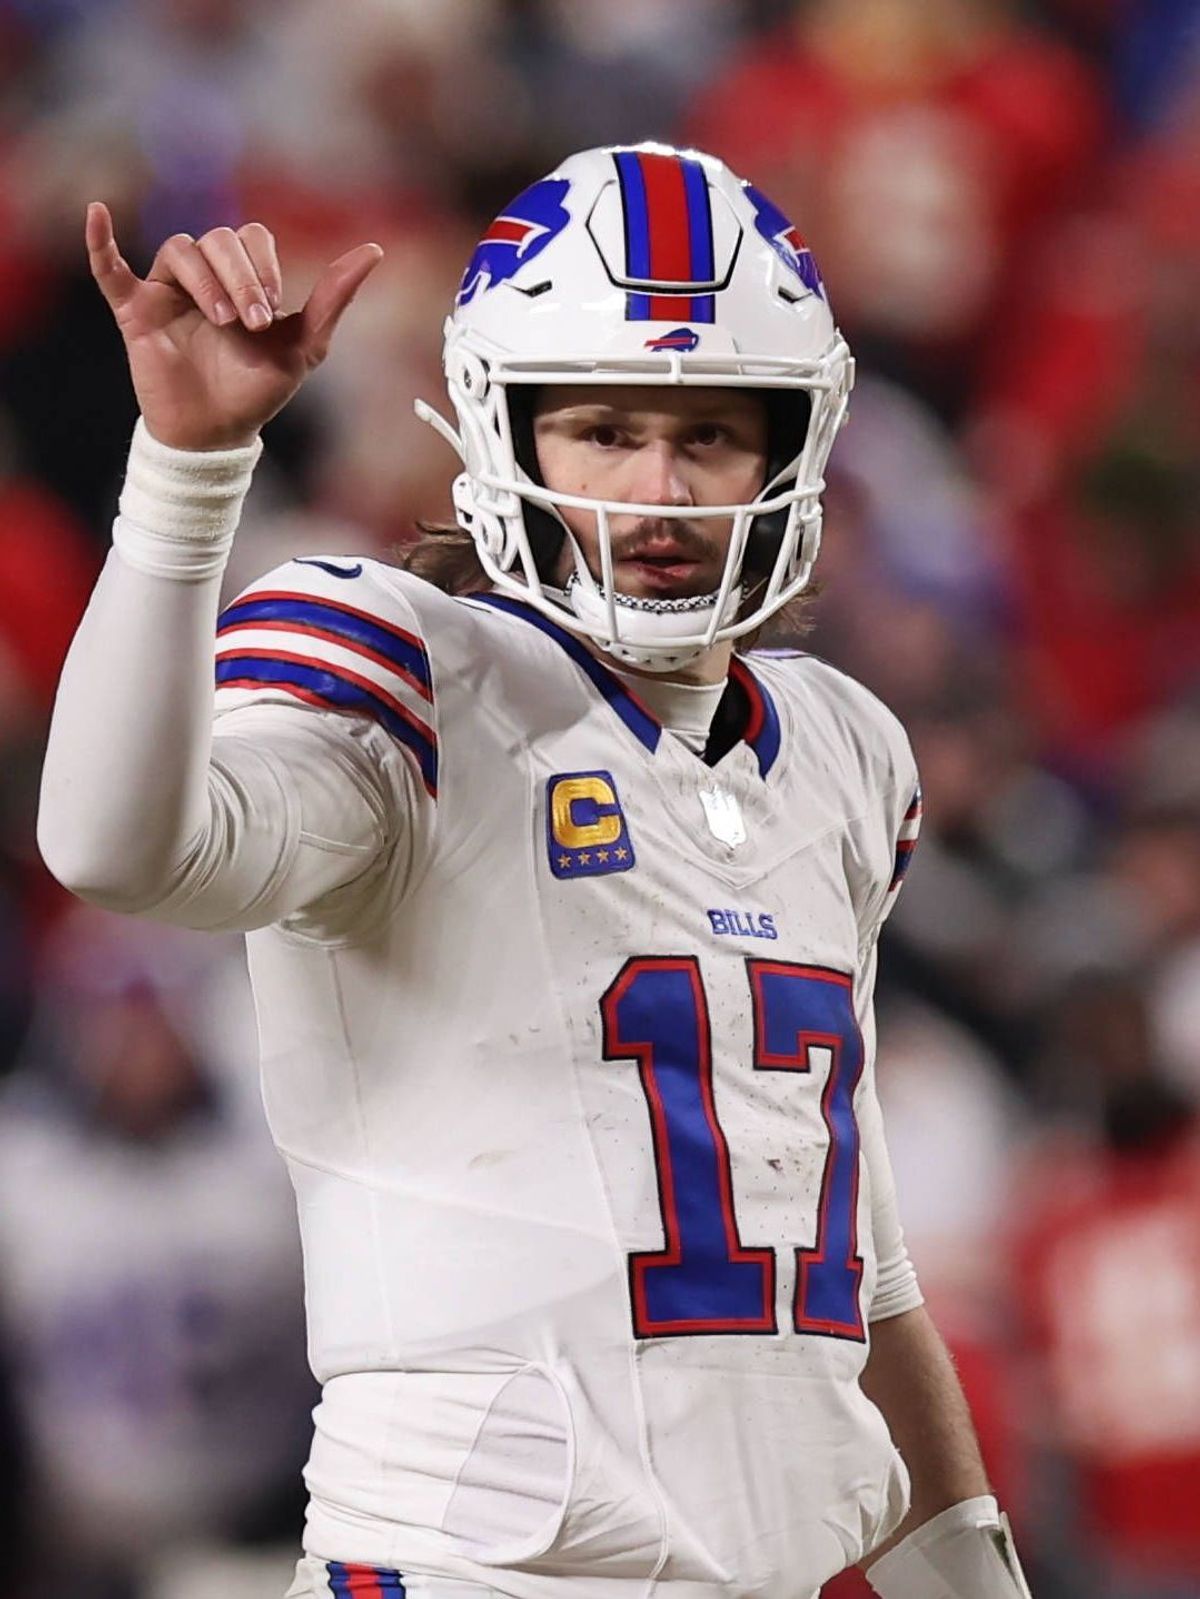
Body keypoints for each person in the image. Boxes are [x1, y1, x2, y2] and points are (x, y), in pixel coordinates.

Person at [39, 142, 1031, 1599]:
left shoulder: (843, 749)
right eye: (606, 431)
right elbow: (119, 849)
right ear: (509, 438)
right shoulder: (410, 670)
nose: (659, 487)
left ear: (790, 449)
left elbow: (858, 1284)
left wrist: (973, 1577)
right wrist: (188, 475)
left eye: (709, 436)